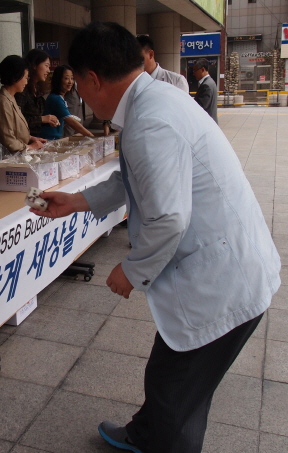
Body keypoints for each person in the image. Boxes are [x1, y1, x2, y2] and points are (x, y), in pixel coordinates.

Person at [30, 22, 280, 453]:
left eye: (80, 85)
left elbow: (167, 217)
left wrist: (132, 270)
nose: (82, 98)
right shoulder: (156, 101)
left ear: (92, 79)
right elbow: (138, 181)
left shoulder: (150, 122)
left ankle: (157, 440)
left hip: (221, 278)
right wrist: (77, 200)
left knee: (174, 387)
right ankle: (147, 433)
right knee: (176, 381)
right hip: (226, 264)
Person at [0, 55, 46, 155]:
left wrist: (30, 138)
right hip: (7, 161)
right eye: (25, 78)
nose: (26, 82)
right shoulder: (2, 102)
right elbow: (8, 139)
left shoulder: (11, 97)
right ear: (15, 77)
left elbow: (15, 130)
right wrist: (30, 147)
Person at [39, 64, 93, 140]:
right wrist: (91, 136)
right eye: (66, 78)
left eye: (72, 78)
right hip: (48, 139)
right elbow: (72, 122)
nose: (70, 82)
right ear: (58, 79)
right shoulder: (55, 99)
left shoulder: (60, 98)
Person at [14, 48, 59, 136]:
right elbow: (17, 121)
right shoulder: (22, 91)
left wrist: (49, 120)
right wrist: (42, 119)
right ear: (34, 65)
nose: (48, 70)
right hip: (23, 143)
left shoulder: (37, 90)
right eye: (46, 66)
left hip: (34, 140)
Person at [193, 57, 218, 123]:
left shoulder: (206, 85)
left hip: (207, 123)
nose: (194, 73)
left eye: (195, 70)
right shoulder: (211, 82)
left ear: (202, 69)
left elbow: (200, 107)